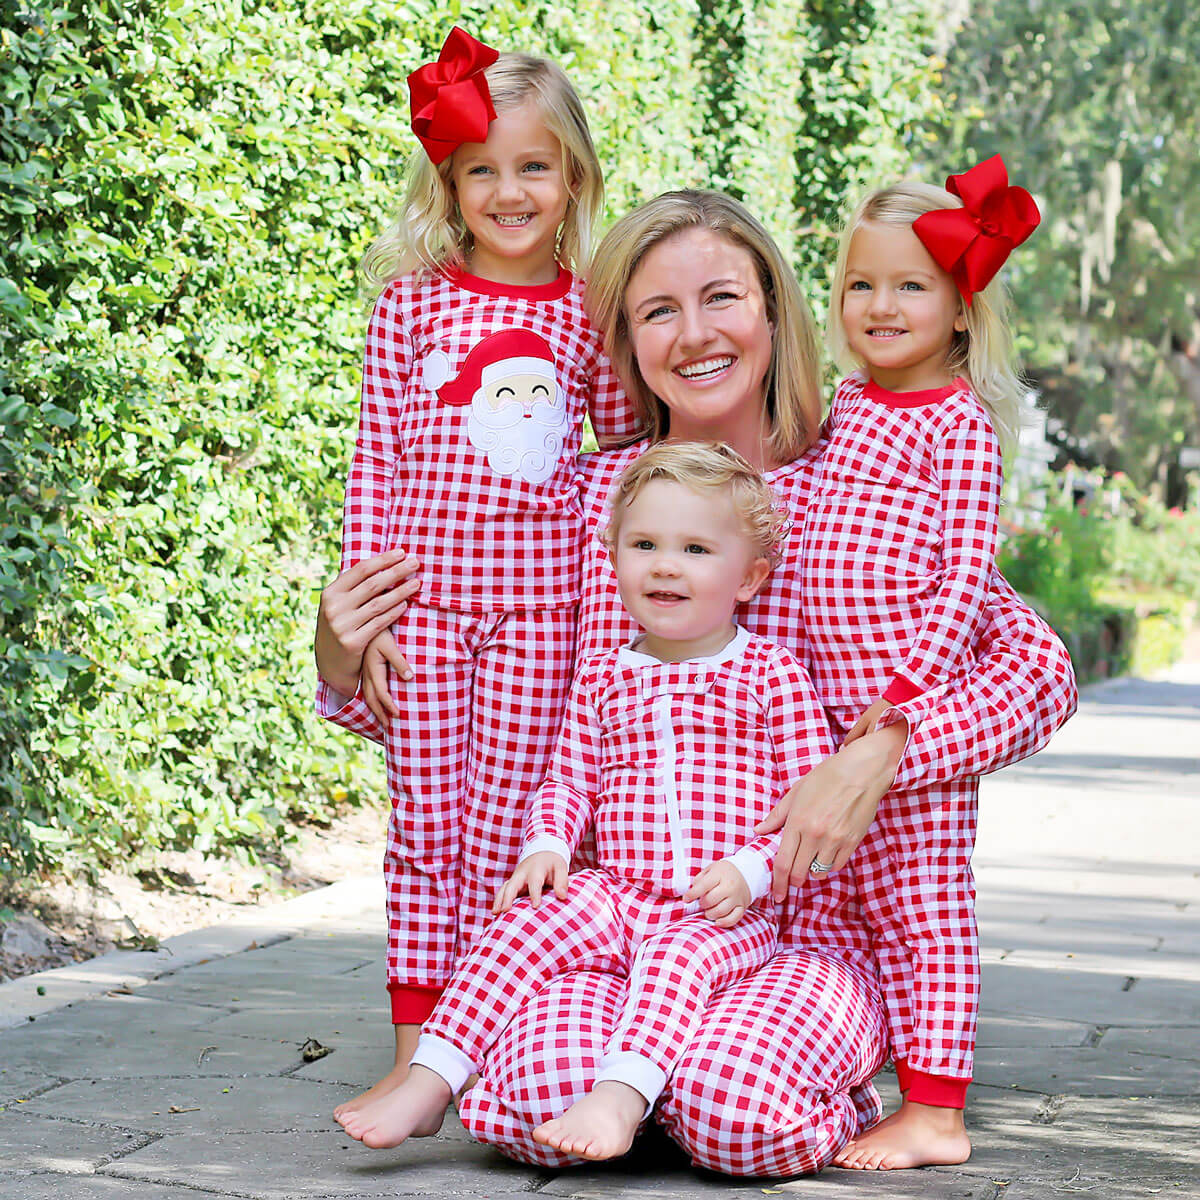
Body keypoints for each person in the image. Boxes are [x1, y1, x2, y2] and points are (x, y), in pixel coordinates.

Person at [314, 190, 1077, 1175]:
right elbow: (477, 711)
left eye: (721, 297)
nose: (695, 334)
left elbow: (1034, 670)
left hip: (808, 936)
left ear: (772, 310)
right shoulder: (588, 500)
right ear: (626, 345)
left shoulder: (859, 470)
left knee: (735, 1108)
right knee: (524, 1104)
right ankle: (636, 1081)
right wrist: (344, 654)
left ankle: (775, 1083)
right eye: (657, 311)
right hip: (624, 924)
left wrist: (878, 754)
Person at [340, 442, 837, 1157]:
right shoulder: (606, 675)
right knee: (520, 926)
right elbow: (569, 781)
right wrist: (548, 845)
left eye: (695, 548)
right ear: (614, 558)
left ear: (750, 576)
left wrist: (753, 870)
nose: (665, 564)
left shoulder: (770, 674)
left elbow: (804, 804)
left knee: (676, 959)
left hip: (720, 909)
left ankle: (617, 1100)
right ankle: (428, 1081)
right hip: (616, 892)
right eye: (644, 544)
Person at [322, 27, 638, 1125]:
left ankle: (484, 1047)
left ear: (575, 178)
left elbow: (626, 453)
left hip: (543, 619)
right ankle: (415, 1047)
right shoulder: (411, 306)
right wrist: (366, 624)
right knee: (423, 830)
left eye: (534, 167)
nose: (510, 190)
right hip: (429, 612)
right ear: (450, 185)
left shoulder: (588, 310)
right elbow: (378, 463)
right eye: (483, 170)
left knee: (510, 835)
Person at [801, 157, 1041, 1170]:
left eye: (910, 286)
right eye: (862, 284)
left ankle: (937, 1110)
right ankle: (863, 1072)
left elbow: (959, 580)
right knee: (840, 904)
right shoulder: (845, 404)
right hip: (819, 714)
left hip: (907, 720)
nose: (881, 304)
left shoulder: (960, 425)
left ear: (959, 306)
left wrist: (905, 701)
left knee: (922, 910)